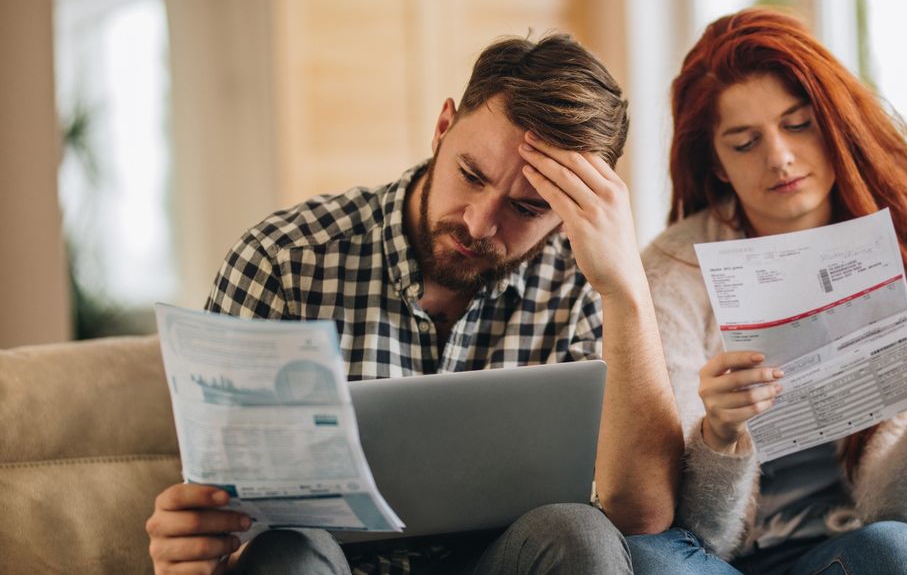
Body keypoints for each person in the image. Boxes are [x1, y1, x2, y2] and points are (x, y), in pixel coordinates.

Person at [145, 33, 683, 574]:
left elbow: (641, 515)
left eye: (527, 207)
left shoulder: (583, 282)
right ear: (443, 126)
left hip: (499, 562)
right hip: (328, 566)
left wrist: (626, 292)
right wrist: (197, 558)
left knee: (579, 534)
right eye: (470, 175)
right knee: (290, 554)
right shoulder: (284, 262)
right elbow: (221, 513)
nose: (479, 223)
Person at [628, 8, 907, 575]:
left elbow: (898, 514)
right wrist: (720, 435)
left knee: (894, 550)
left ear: (833, 123)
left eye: (798, 124)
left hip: (853, 555)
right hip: (724, 562)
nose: (779, 157)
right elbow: (697, 535)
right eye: (744, 142)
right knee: (644, 558)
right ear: (716, 164)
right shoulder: (671, 275)